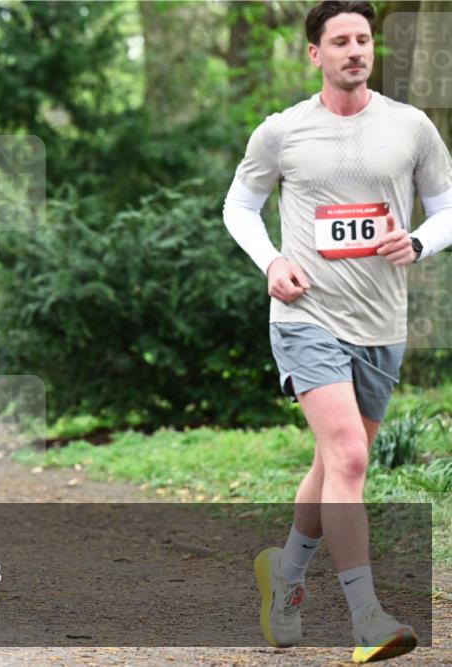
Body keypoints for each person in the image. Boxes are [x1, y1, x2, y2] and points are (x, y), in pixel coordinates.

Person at [222, 2, 452, 662]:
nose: (356, 50)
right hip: (306, 316)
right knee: (350, 455)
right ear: (314, 54)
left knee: (333, 463)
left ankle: (285, 575)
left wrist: (418, 240)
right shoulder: (283, 131)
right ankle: (367, 619)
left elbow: (446, 207)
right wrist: (272, 261)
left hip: (382, 322)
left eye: (364, 39)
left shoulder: (410, 127)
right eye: (341, 41)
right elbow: (240, 205)